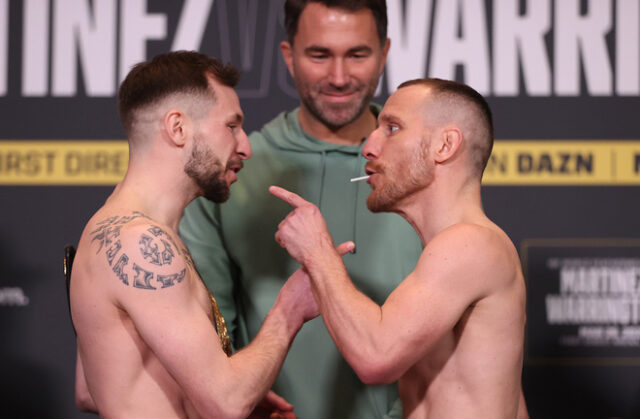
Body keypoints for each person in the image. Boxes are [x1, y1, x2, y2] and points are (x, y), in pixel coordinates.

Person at [179, 1, 423, 418]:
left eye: (358, 54)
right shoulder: (231, 171)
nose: (340, 77)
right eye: (320, 55)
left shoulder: (429, 167)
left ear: (384, 53)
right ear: (289, 56)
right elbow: (206, 343)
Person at [70, 50, 324, 418]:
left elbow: (89, 391)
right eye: (231, 126)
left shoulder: (116, 228)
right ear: (178, 128)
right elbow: (227, 402)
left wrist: (199, 394)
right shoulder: (140, 243)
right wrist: (291, 309)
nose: (245, 146)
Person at [270, 78, 529, 418]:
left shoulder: (471, 243)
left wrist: (317, 251)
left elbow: (375, 356)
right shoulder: (455, 250)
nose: (369, 147)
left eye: (392, 128)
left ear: (445, 145)